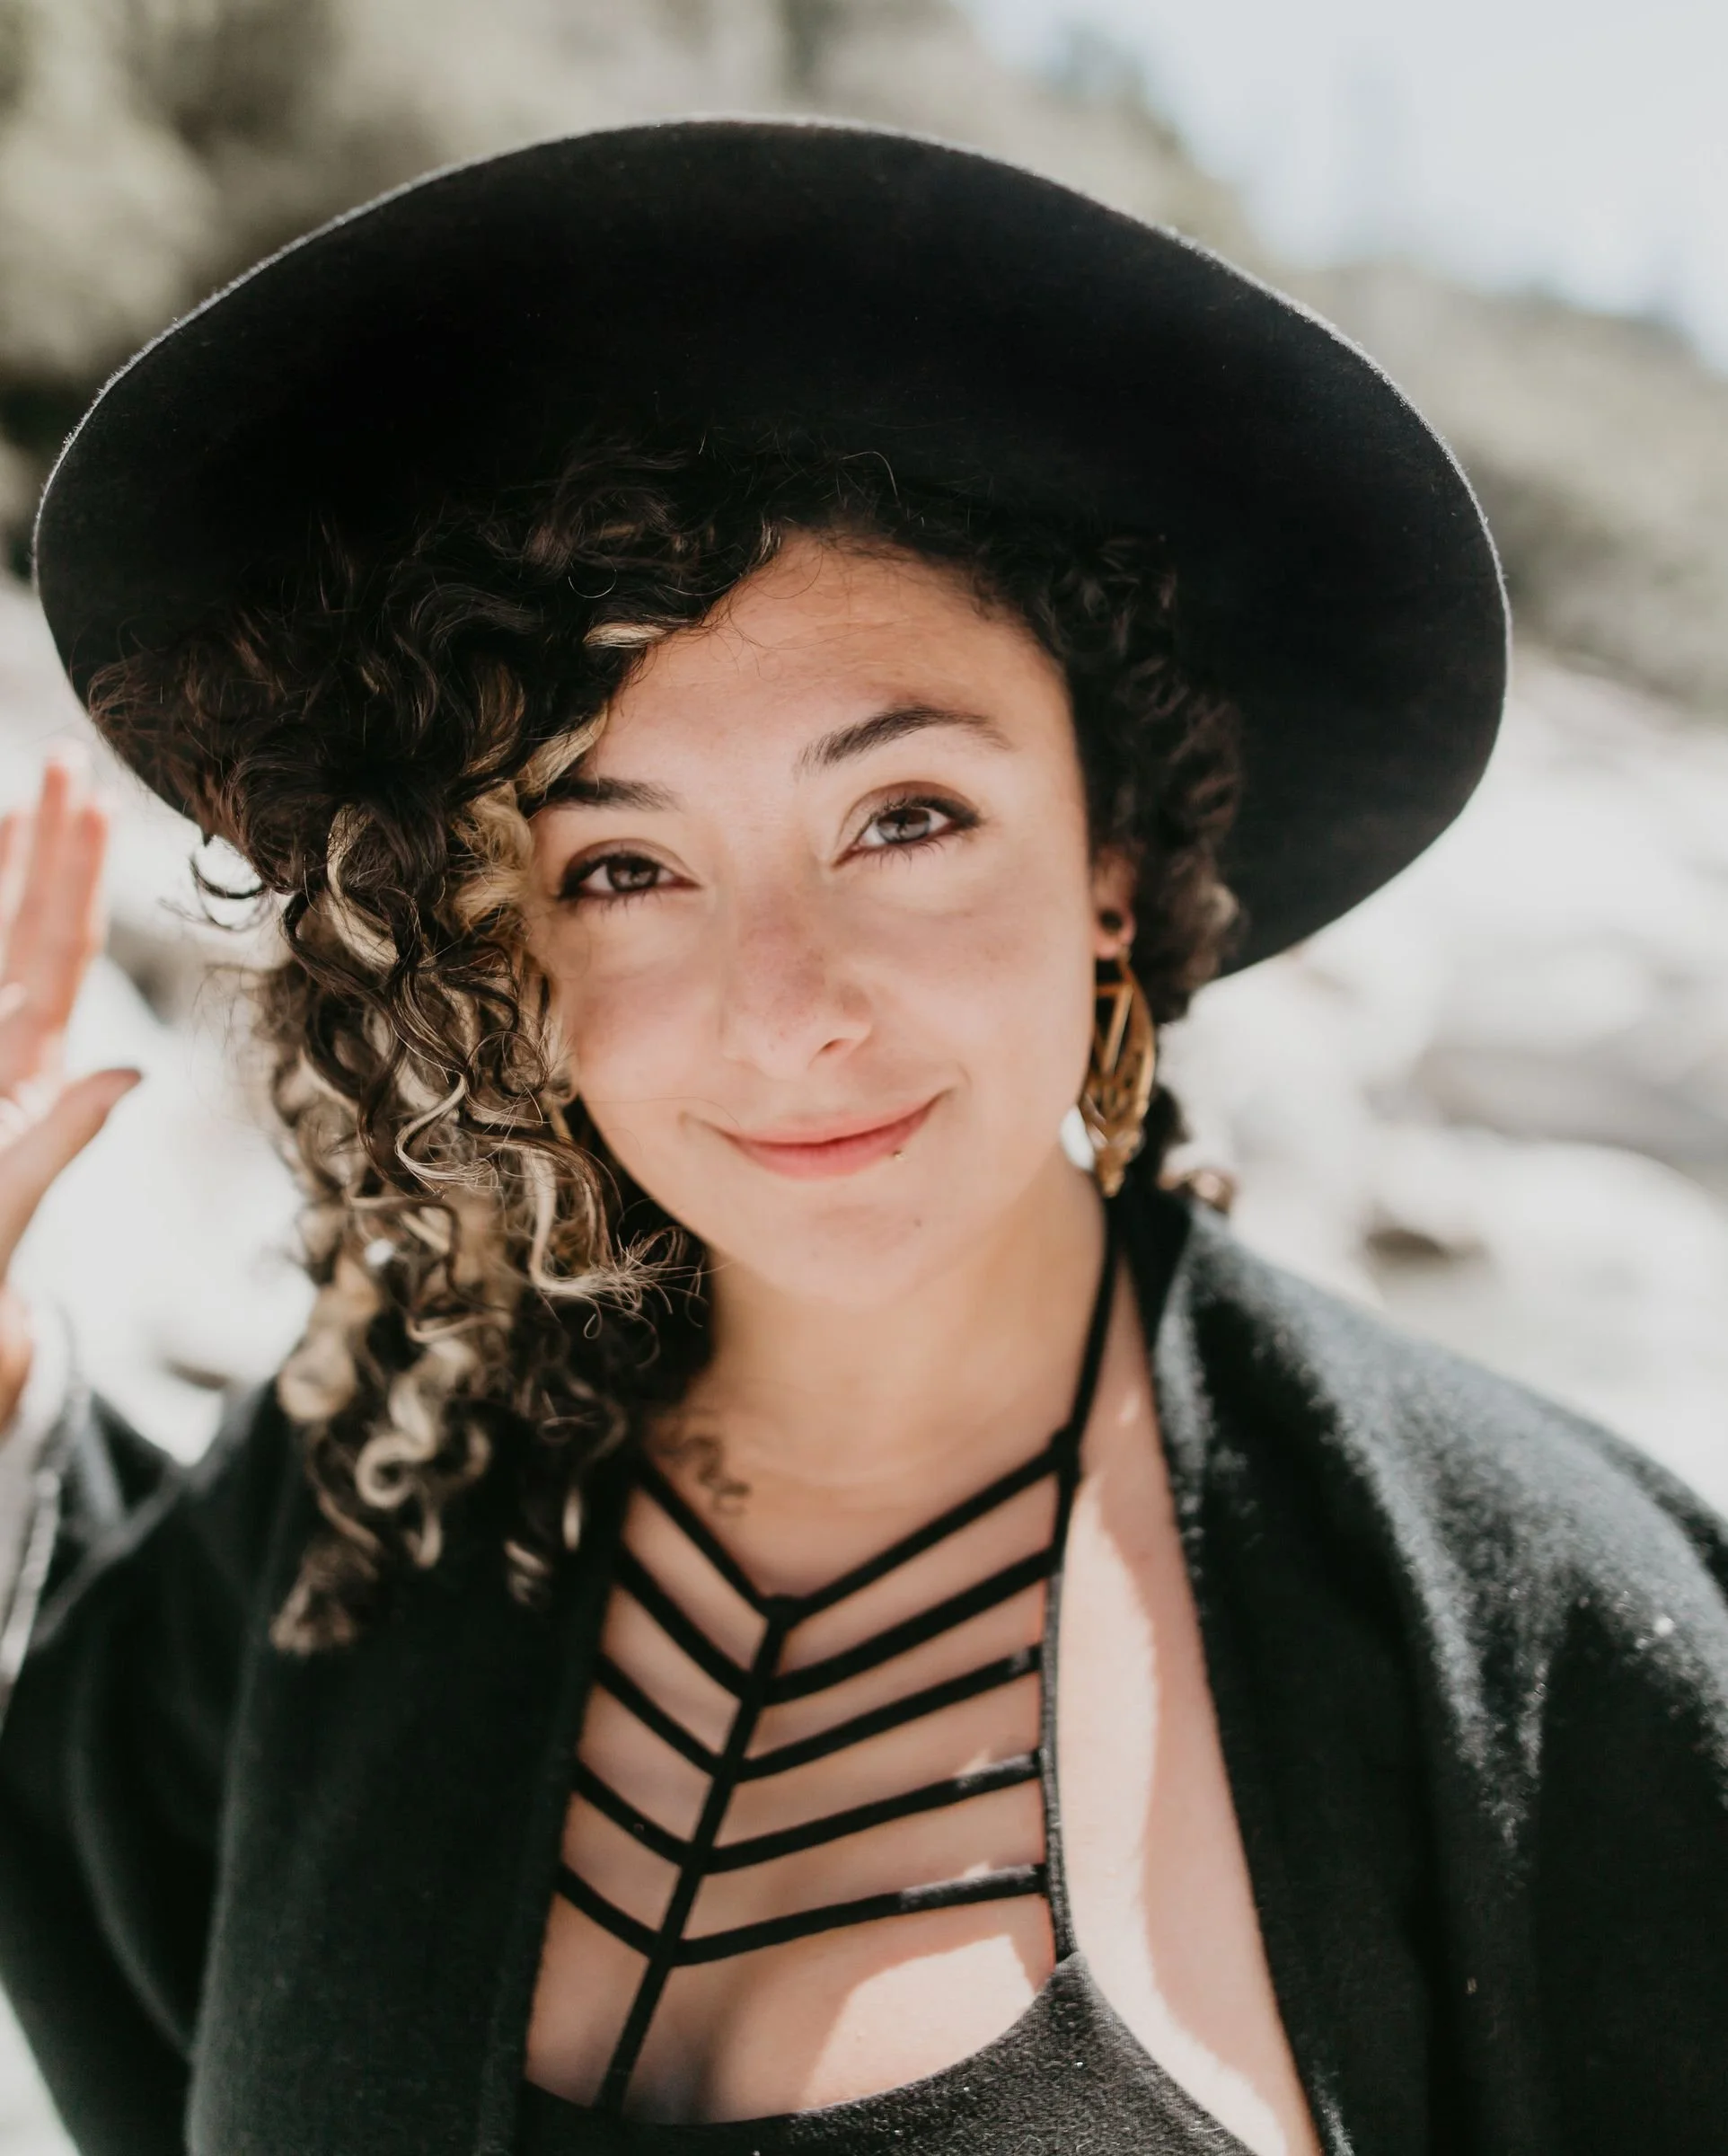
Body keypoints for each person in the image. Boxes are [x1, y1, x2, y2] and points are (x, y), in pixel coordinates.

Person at [0, 120, 1722, 2156]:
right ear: (495, 933)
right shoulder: (371, 1517)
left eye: (903, 818)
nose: (782, 1005)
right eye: (622, 863)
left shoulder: (1556, 1640)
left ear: (1110, 855)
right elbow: (97, 1808)